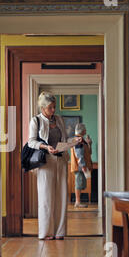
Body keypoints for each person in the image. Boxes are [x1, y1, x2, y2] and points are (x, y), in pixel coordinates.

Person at [28, 91, 82, 240]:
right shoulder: (35, 121)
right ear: (43, 108)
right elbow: (31, 141)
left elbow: (64, 138)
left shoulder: (58, 119)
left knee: (62, 196)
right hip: (46, 162)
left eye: (54, 107)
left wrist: (75, 140)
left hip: (61, 160)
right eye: (50, 107)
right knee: (46, 197)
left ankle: (59, 232)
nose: (53, 110)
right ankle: (46, 233)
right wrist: (46, 147)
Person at [70, 123, 93, 208]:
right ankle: (77, 202)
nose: (86, 131)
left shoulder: (82, 140)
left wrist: (89, 144)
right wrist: (83, 166)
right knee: (78, 183)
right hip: (79, 167)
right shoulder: (78, 140)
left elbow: (89, 153)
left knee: (80, 183)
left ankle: (78, 201)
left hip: (81, 166)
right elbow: (79, 154)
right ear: (82, 130)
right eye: (85, 129)